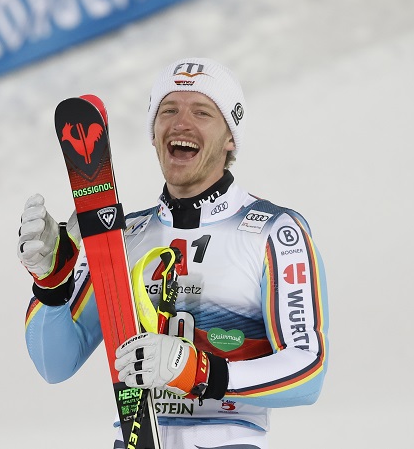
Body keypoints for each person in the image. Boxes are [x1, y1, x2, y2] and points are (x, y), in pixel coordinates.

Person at [18, 58, 329, 449]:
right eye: (168, 111)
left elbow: (308, 371)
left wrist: (200, 372)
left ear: (230, 138)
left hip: (227, 439)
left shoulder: (275, 232)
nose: (181, 123)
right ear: (153, 134)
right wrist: (52, 284)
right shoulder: (124, 236)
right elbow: (55, 364)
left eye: (201, 112)